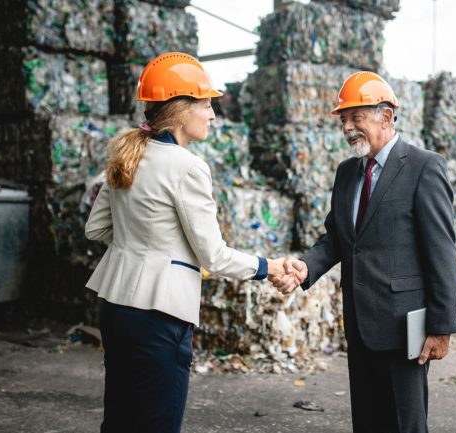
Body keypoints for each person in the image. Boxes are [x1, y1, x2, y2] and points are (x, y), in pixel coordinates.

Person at [84, 52, 298, 433]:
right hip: (159, 315)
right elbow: (213, 256)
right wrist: (269, 267)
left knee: (119, 420)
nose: (213, 113)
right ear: (181, 109)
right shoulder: (188, 167)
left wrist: (144, 241)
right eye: (206, 103)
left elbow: (96, 230)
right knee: (157, 423)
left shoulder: (126, 155)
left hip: (115, 306)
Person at [271, 71, 456, 433]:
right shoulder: (347, 173)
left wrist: (442, 327)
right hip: (359, 324)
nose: (348, 127)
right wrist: (304, 267)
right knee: (368, 422)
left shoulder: (423, 167)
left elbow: (442, 252)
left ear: (386, 116)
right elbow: (337, 238)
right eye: (344, 119)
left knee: (405, 424)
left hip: (405, 326)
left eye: (356, 117)